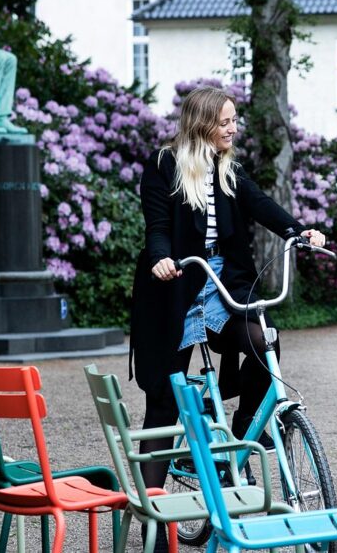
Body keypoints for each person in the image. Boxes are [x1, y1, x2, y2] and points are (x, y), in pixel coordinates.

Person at [129, 86, 325, 550]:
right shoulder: (163, 166)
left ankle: (239, 436)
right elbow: (157, 227)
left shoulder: (229, 168)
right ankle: (154, 522)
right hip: (176, 283)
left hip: (224, 280)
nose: (233, 128)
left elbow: (262, 206)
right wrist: (161, 260)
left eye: (234, 120)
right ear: (201, 124)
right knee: (164, 403)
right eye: (225, 122)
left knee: (262, 342)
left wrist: (300, 232)